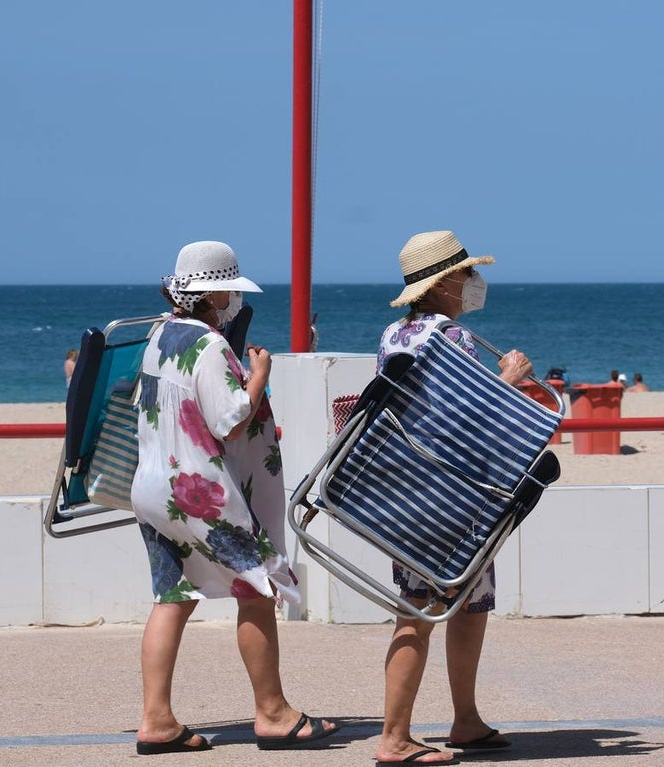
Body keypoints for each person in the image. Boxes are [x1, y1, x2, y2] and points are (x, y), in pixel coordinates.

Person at [129, 241, 339, 755]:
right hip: (200, 492)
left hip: (155, 485)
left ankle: (156, 719)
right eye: (228, 289)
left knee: (172, 595)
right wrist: (261, 374)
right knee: (258, 586)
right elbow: (230, 419)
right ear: (214, 291)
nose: (233, 299)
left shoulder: (159, 334)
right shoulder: (208, 345)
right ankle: (273, 714)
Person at [375, 230, 529, 766]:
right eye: (465, 274)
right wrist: (507, 382)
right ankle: (395, 738)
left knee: (459, 604)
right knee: (421, 611)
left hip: (404, 489)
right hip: (451, 497)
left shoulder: (395, 334)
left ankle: (466, 719)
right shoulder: (453, 340)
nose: (473, 282)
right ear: (442, 284)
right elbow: (465, 422)